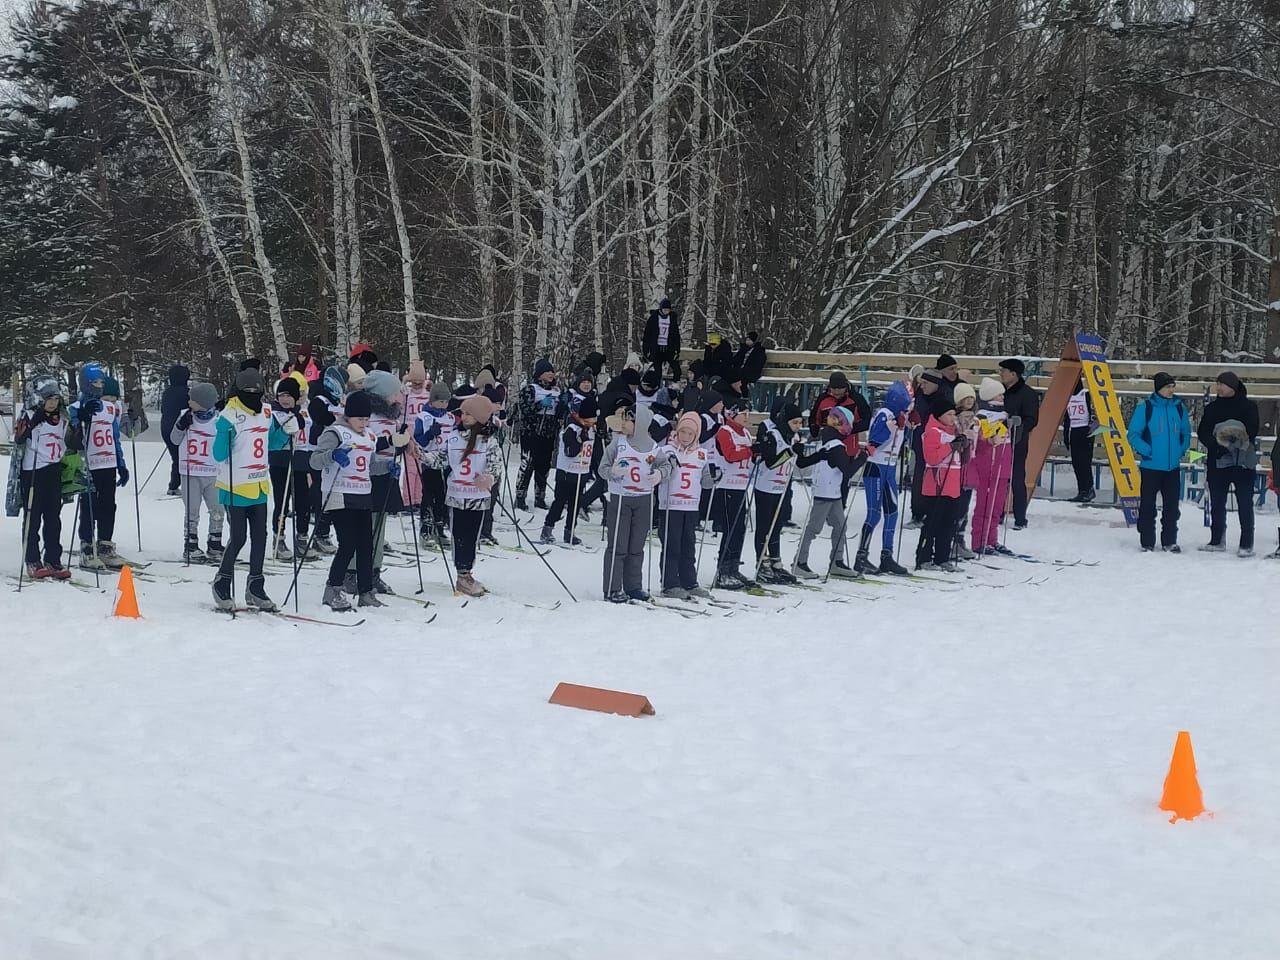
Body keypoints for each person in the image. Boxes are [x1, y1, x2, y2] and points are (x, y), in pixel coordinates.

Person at [310, 389, 395, 611]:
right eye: (359, 419)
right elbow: (315, 461)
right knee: (347, 544)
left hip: (362, 494)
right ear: (348, 416)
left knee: (366, 545)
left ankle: (366, 591)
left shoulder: (369, 436)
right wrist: (333, 455)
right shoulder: (335, 432)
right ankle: (333, 589)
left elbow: (368, 465)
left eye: (367, 419)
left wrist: (387, 467)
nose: (363, 423)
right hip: (339, 495)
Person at [211, 368, 277, 612]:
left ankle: (255, 587)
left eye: (257, 391)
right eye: (248, 392)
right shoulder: (229, 414)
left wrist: (289, 430)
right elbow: (218, 454)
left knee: (261, 537)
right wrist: (224, 436)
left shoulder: (267, 412)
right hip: (235, 486)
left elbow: (274, 442)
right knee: (238, 537)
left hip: (259, 484)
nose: (253, 395)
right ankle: (222, 582)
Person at [426, 394, 502, 598]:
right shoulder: (453, 437)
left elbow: (496, 466)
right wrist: (420, 454)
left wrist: (489, 478)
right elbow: (440, 460)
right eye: (463, 413)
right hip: (457, 495)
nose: (464, 417)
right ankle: (462, 575)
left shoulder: (489, 441)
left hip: (478, 497)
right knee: (459, 536)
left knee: (471, 537)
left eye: (469, 414)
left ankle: (467, 572)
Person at [600, 403, 668, 602]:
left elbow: (665, 465)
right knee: (618, 544)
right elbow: (602, 467)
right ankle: (612, 587)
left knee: (636, 545)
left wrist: (659, 474)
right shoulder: (618, 443)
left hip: (644, 499)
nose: (625, 424)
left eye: (629, 420)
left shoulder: (654, 447)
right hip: (621, 498)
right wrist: (611, 473)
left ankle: (633, 586)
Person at [357, 370, 412, 593]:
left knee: (379, 528)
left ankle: (374, 571)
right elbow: (364, 444)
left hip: (386, 475)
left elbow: (392, 444)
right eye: (393, 393)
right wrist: (388, 441)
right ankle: (356, 573)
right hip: (367, 476)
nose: (397, 396)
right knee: (364, 528)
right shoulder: (365, 416)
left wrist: (402, 442)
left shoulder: (391, 416)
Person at [69, 364, 129, 570]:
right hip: (89, 463)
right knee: (89, 506)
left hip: (108, 462)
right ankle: (86, 546)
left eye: (101, 382)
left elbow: (114, 438)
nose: (99, 386)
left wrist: (121, 464)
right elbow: (72, 438)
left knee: (108, 504)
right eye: (95, 382)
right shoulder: (76, 407)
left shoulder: (110, 408)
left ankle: (105, 544)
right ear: (85, 384)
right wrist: (82, 418)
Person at [792, 406, 861, 580]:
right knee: (814, 528)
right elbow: (847, 470)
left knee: (840, 526)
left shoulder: (828, 444)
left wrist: (800, 454)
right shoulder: (836, 446)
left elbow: (803, 463)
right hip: (825, 493)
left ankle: (837, 561)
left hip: (833, 493)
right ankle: (799, 562)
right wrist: (863, 457)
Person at [1126, 372, 1191, 553]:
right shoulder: (1145, 407)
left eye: (1172, 386)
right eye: (1167, 387)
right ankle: (1147, 542)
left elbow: (1186, 433)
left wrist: (1181, 449)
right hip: (1151, 466)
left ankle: (1169, 541)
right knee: (1147, 506)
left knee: (1171, 507)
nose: (1171, 390)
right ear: (1158, 388)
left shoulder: (1179, 407)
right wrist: (1148, 451)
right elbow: (1133, 434)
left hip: (1172, 467)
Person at [1196, 371, 1260, 556]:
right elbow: (1203, 431)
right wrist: (1216, 446)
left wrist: (1233, 443)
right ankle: (1217, 540)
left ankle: (1246, 544)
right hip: (1218, 461)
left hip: (1243, 462)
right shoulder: (1212, 408)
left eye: (1222, 384)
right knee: (1217, 502)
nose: (1219, 387)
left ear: (1232, 387)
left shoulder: (1249, 406)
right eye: (1217, 384)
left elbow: (1252, 430)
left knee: (1245, 502)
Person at [15, 379, 72, 579]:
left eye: (56, 398)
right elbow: (19, 438)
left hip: (53, 470)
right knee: (33, 516)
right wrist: (33, 422)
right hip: (33, 472)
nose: (53, 403)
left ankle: (53, 558)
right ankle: (32, 558)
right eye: (49, 398)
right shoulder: (29, 414)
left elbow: (73, 441)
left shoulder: (63, 417)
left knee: (53, 517)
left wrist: (81, 424)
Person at [855, 380, 912, 575]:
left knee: (892, 512)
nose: (906, 409)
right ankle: (861, 556)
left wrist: (909, 427)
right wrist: (889, 428)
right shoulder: (884, 414)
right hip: (876, 467)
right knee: (874, 513)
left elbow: (904, 440)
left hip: (890, 468)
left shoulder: (900, 416)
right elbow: (875, 439)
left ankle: (887, 555)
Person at [655, 411, 709, 599]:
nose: (685, 437)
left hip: (691, 506)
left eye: (690, 434)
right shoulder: (667, 450)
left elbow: (706, 481)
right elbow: (657, 473)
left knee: (688, 545)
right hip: (670, 505)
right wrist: (664, 467)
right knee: (672, 545)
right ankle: (670, 583)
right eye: (682, 432)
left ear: (696, 435)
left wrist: (713, 476)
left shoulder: (702, 454)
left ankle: (689, 581)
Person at [172, 381, 225, 563]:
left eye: (192, 400)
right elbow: (174, 439)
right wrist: (180, 426)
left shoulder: (218, 419)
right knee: (192, 510)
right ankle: (191, 545)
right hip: (190, 472)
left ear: (203, 402)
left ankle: (215, 542)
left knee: (217, 509)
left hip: (212, 472)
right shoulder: (185, 416)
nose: (189, 402)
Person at [753, 402, 804, 584]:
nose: (798, 426)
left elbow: (801, 462)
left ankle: (775, 562)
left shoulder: (795, 437)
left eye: (800, 422)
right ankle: (761, 563)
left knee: (777, 526)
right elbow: (770, 462)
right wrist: (790, 452)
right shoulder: (773, 435)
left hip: (781, 488)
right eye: (795, 422)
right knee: (764, 526)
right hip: (766, 487)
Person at [710, 391, 756, 590]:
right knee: (731, 528)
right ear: (732, 414)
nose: (746, 417)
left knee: (739, 529)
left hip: (741, 485)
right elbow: (730, 455)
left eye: (747, 413)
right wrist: (751, 451)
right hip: (727, 485)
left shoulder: (745, 433)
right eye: (743, 413)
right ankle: (723, 570)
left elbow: (747, 455)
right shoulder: (724, 431)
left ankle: (733, 567)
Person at [540, 395, 597, 545]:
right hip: (566, 473)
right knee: (560, 502)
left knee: (575, 504)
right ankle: (547, 528)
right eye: (592, 418)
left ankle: (570, 531)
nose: (594, 421)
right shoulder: (572, 429)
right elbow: (569, 451)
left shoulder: (591, 430)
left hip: (581, 472)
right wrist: (580, 440)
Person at [915, 401, 965, 572]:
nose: (953, 418)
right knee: (932, 523)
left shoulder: (954, 432)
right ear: (939, 415)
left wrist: (964, 445)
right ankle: (923, 557)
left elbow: (963, 460)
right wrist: (950, 446)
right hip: (936, 485)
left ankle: (942, 557)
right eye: (949, 414)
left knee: (948, 524)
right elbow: (932, 458)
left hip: (952, 484)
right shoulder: (933, 432)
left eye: (954, 414)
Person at [970, 377, 1015, 557]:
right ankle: (979, 540)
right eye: (999, 395)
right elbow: (981, 441)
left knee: (997, 506)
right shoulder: (982, 416)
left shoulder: (1005, 416)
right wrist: (989, 439)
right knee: (984, 505)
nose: (1003, 398)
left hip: (1002, 465)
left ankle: (992, 539)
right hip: (987, 466)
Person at [305, 366, 347, 556]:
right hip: (320, 452)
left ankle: (327, 531)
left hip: (337, 453)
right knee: (322, 492)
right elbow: (319, 416)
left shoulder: (340, 403)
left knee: (335, 494)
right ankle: (320, 533)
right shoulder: (319, 400)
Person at [266, 376, 307, 560]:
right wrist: (285, 431)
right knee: (282, 500)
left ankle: (302, 537)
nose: (284, 399)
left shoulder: (301, 414)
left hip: (298, 460)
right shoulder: (273, 414)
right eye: (281, 395)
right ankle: (279, 538)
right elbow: (271, 441)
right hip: (279, 461)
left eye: (289, 395)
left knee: (303, 502)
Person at [998, 358, 1039, 529]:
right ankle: (997, 513)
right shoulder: (1000, 392)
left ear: (1013, 374)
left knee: (1016, 478)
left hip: (1017, 440)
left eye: (1003, 371)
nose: (1000, 374)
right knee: (1000, 479)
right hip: (998, 440)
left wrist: (1016, 425)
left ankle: (1020, 517)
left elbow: (1032, 419)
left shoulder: (1027, 393)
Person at [515, 358, 560, 510]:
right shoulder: (530, 389)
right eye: (547, 371)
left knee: (544, 466)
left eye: (552, 371)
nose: (551, 374)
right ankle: (520, 497)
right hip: (531, 433)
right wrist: (540, 404)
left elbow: (559, 414)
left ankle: (540, 497)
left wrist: (563, 405)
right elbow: (525, 410)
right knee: (527, 465)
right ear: (539, 374)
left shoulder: (556, 390)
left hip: (548, 434)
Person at [414, 382, 455, 547]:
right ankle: (426, 529)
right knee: (430, 494)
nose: (444, 405)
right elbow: (418, 440)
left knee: (443, 495)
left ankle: (440, 527)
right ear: (432, 400)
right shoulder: (423, 417)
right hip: (430, 460)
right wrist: (430, 434)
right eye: (441, 401)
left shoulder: (450, 417)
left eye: (446, 402)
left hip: (447, 462)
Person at [907, 369, 942, 527]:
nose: (922, 386)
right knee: (918, 479)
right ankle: (917, 513)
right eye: (921, 383)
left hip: (936, 447)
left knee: (933, 480)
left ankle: (932, 511)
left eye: (926, 383)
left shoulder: (942, 398)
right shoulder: (920, 396)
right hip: (919, 444)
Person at [951, 382, 979, 561]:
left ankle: (960, 538)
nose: (969, 401)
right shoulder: (955, 418)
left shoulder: (976, 417)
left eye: (971, 397)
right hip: (959, 464)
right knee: (957, 503)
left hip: (970, 465)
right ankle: (952, 538)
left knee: (965, 503)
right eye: (965, 398)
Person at [160, 364, 191, 496]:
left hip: (165, 427)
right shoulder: (186, 393)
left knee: (176, 457)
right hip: (179, 428)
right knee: (181, 458)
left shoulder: (167, 392)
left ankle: (175, 484)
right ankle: (174, 486)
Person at [1064, 376, 1096, 502]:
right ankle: (1081, 490)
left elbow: (1092, 412)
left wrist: (1091, 431)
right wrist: (1066, 434)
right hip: (1074, 430)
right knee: (1076, 462)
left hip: (1085, 430)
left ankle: (1089, 489)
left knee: (1084, 462)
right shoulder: (1067, 397)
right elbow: (1066, 417)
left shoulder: (1085, 394)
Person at [643, 297, 682, 380]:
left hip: (669, 348)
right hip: (657, 348)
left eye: (668, 310)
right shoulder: (653, 318)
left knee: (676, 368)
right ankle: (657, 386)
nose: (666, 312)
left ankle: (676, 384)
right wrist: (646, 350)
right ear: (661, 309)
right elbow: (647, 335)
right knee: (657, 371)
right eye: (664, 310)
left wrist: (677, 349)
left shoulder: (672, 318)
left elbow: (676, 335)